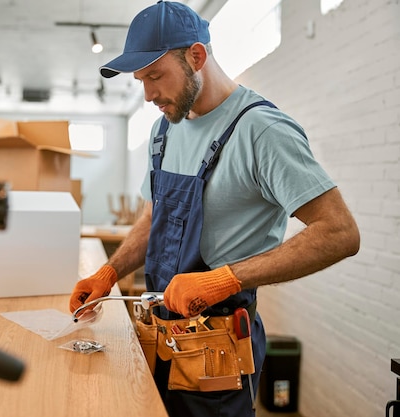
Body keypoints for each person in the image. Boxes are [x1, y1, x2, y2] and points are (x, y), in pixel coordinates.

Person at [69, 2, 360, 417]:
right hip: (159, 337)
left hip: (218, 349)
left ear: (196, 56)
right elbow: (153, 219)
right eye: (141, 81)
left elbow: (339, 233)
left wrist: (223, 280)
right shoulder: (164, 129)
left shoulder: (262, 131)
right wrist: (109, 273)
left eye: (155, 75)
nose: (149, 94)